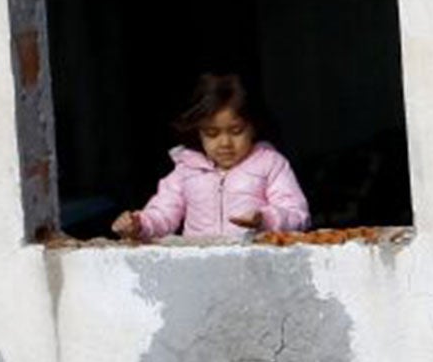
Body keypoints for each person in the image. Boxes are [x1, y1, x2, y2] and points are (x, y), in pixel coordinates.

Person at [112, 74, 310, 239]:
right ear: (198, 132)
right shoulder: (186, 170)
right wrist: (139, 224)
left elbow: (297, 215)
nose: (225, 143)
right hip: (200, 267)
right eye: (212, 134)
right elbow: (164, 214)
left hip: (254, 266)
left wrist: (264, 219)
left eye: (236, 131)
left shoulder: (270, 163)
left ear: (253, 127)